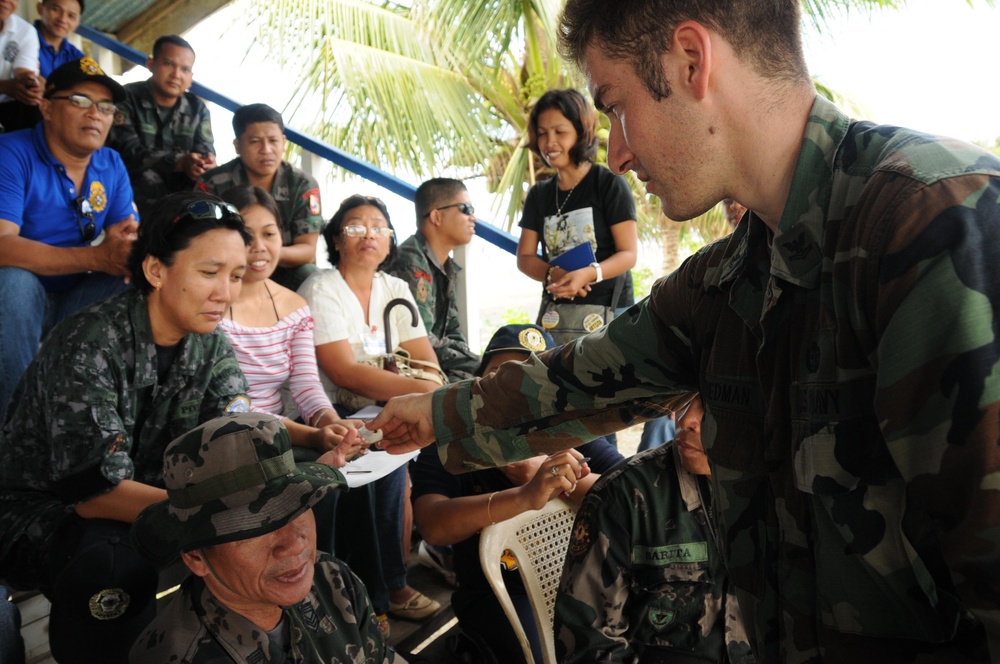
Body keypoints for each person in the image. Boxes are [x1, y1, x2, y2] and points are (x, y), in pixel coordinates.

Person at [371, 0, 1000, 661]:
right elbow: (577, 383)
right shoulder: (725, 284)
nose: (616, 150)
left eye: (615, 106)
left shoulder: (933, 225)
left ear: (692, 61)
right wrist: (433, 414)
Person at [0, 190, 251, 664]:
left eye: (236, 276)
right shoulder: (89, 341)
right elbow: (97, 493)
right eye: (209, 272)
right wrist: (216, 511)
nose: (226, 293)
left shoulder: (209, 345)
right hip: (39, 511)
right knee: (112, 565)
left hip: (148, 499)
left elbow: (233, 431)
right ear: (156, 271)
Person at [218, 185, 391, 633]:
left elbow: (305, 384)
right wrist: (313, 436)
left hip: (286, 434)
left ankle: (367, 600)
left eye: (270, 234)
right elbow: (234, 407)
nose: (259, 248)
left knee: (354, 464)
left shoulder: (293, 305)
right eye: (245, 235)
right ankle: (310, 606)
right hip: (233, 441)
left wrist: (331, 422)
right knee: (317, 476)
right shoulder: (214, 306)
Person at [411, 323, 623, 664]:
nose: (514, 393)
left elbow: (631, 496)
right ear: (476, 384)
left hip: (579, 586)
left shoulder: (571, 429)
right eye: (500, 377)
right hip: (496, 594)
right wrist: (526, 494)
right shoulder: (453, 442)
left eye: (531, 379)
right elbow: (433, 523)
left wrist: (545, 473)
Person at [128, 413, 398, 664]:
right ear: (196, 557)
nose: (293, 545)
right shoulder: (177, 655)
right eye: (251, 530)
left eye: (298, 507)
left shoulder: (333, 578)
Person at [299, 194, 442, 624]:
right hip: (330, 416)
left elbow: (428, 363)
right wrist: (418, 393)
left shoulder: (395, 288)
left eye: (379, 227)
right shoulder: (321, 287)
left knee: (396, 450)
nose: (369, 235)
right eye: (356, 226)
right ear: (336, 239)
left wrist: (422, 392)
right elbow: (343, 372)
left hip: (380, 413)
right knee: (382, 452)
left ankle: (393, 584)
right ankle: (374, 595)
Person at [555, 397, 754, 663]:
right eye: (684, 400)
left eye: (710, 405)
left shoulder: (792, 497)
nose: (685, 420)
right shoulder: (624, 496)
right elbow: (588, 644)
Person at [0, 56, 138, 423]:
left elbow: (127, 236)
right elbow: (2, 245)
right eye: (80, 101)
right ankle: (17, 427)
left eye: (106, 107)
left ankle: (119, 417)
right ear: (46, 107)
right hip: (18, 300)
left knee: (141, 280)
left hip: (75, 296)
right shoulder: (11, 153)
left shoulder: (110, 163)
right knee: (13, 281)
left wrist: (127, 253)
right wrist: (96, 258)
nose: (95, 114)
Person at [516, 88, 638, 343]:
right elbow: (525, 258)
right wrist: (553, 275)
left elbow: (628, 254)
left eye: (560, 132)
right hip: (557, 319)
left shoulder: (608, 183)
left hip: (610, 313)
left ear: (581, 132)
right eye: (542, 134)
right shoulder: (539, 194)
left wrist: (590, 273)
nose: (549, 142)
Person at [199, 103, 321, 290]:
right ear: (238, 146)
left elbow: (307, 250)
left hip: (282, 268)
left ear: (283, 142)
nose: (266, 150)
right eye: (255, 141)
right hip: (229, 270)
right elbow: (200, 239)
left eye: (273, 141)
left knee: (310, 274)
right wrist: (244, 256)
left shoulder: (302, 185)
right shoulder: (213, 183)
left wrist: (264, 254)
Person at [107, 35, 216, 220]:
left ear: (191, 78)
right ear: (151, 63)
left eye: (185, 69)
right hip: (132, 187)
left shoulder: (197, 108)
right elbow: (127, 152)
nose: (176, 74)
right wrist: (179, 161)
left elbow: (205, 152)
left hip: (181, 188)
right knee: (147, 179)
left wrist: (201, 163)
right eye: (168, 64)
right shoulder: (126, 98)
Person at [387, 177, 480, 382]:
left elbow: (452, 330)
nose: (473, 217)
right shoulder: (410, 264)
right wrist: (477, 364)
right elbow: (419, 338)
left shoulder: (444, 266)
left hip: (433, 364)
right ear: (436, 217)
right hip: (409, 368)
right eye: (466, 209)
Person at [0, 0, 40, 132]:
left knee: (34, 107)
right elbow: (9, 87)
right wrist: (6, 86)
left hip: (6, 107)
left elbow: (23, 71)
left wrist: (29, 82)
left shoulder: (25, 31)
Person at [34, 0, 84, 80]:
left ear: (77, 23)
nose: (62, 19)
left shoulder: (77, 58)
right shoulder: (20, 40)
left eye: (71, 16)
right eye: (56, 9)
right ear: (40, 8)